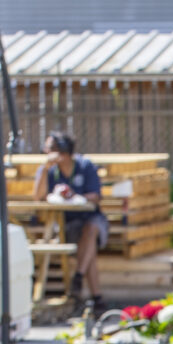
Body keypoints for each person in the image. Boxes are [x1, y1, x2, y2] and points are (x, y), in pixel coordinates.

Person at [32, 131, 108, 306]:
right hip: (64, 222)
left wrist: (75, 195)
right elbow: (38, 196)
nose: (46, 151)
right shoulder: (48, 169)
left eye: (50, 148)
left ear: (63, 151)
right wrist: (44, 170)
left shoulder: (84, 166)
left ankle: (79, 280)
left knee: (90, 230)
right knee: (88, 248)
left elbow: (96, 197)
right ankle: (94, 295)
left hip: (90, 219)